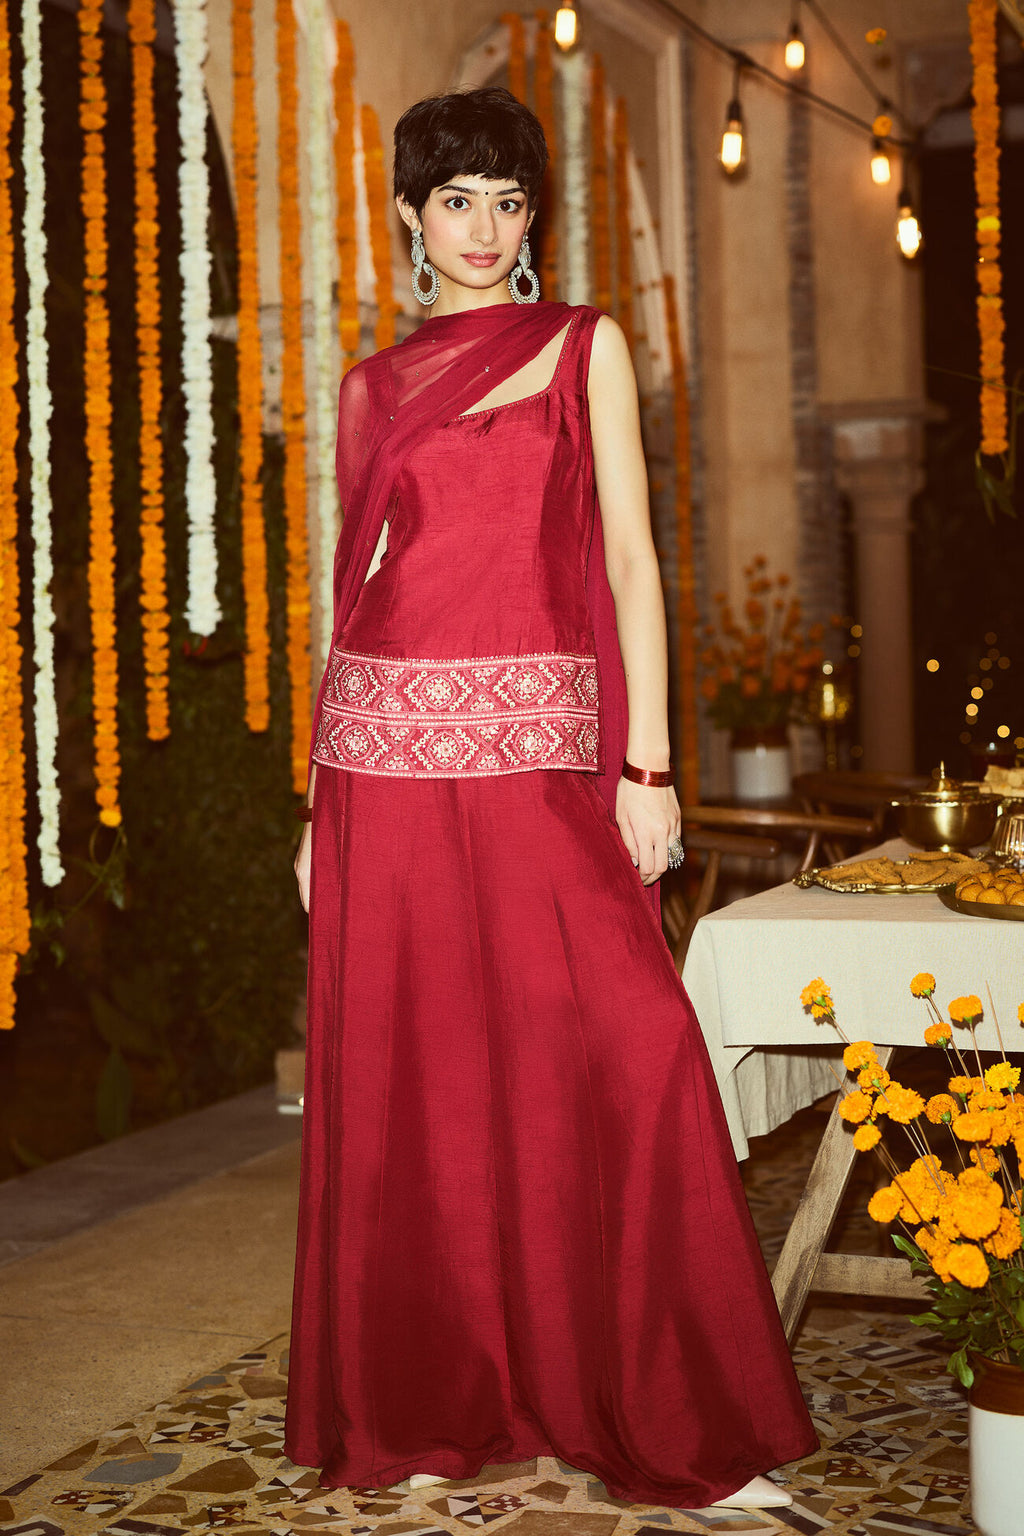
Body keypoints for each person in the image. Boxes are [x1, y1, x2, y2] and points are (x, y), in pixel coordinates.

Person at [284, 85, 816, 1512]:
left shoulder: (587, 347)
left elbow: (637, 563)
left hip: (545, 770)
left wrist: (649, 768)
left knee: (634, 1048)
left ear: (531, 217)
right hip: (385, 769)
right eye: (453, 200)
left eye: (506, 201)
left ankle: (689, 1419)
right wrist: (312, 808)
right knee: (422, 1089)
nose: (481, 226)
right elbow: (354, 600)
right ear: (410, 215)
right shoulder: (371, 389)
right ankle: (417, 1409)